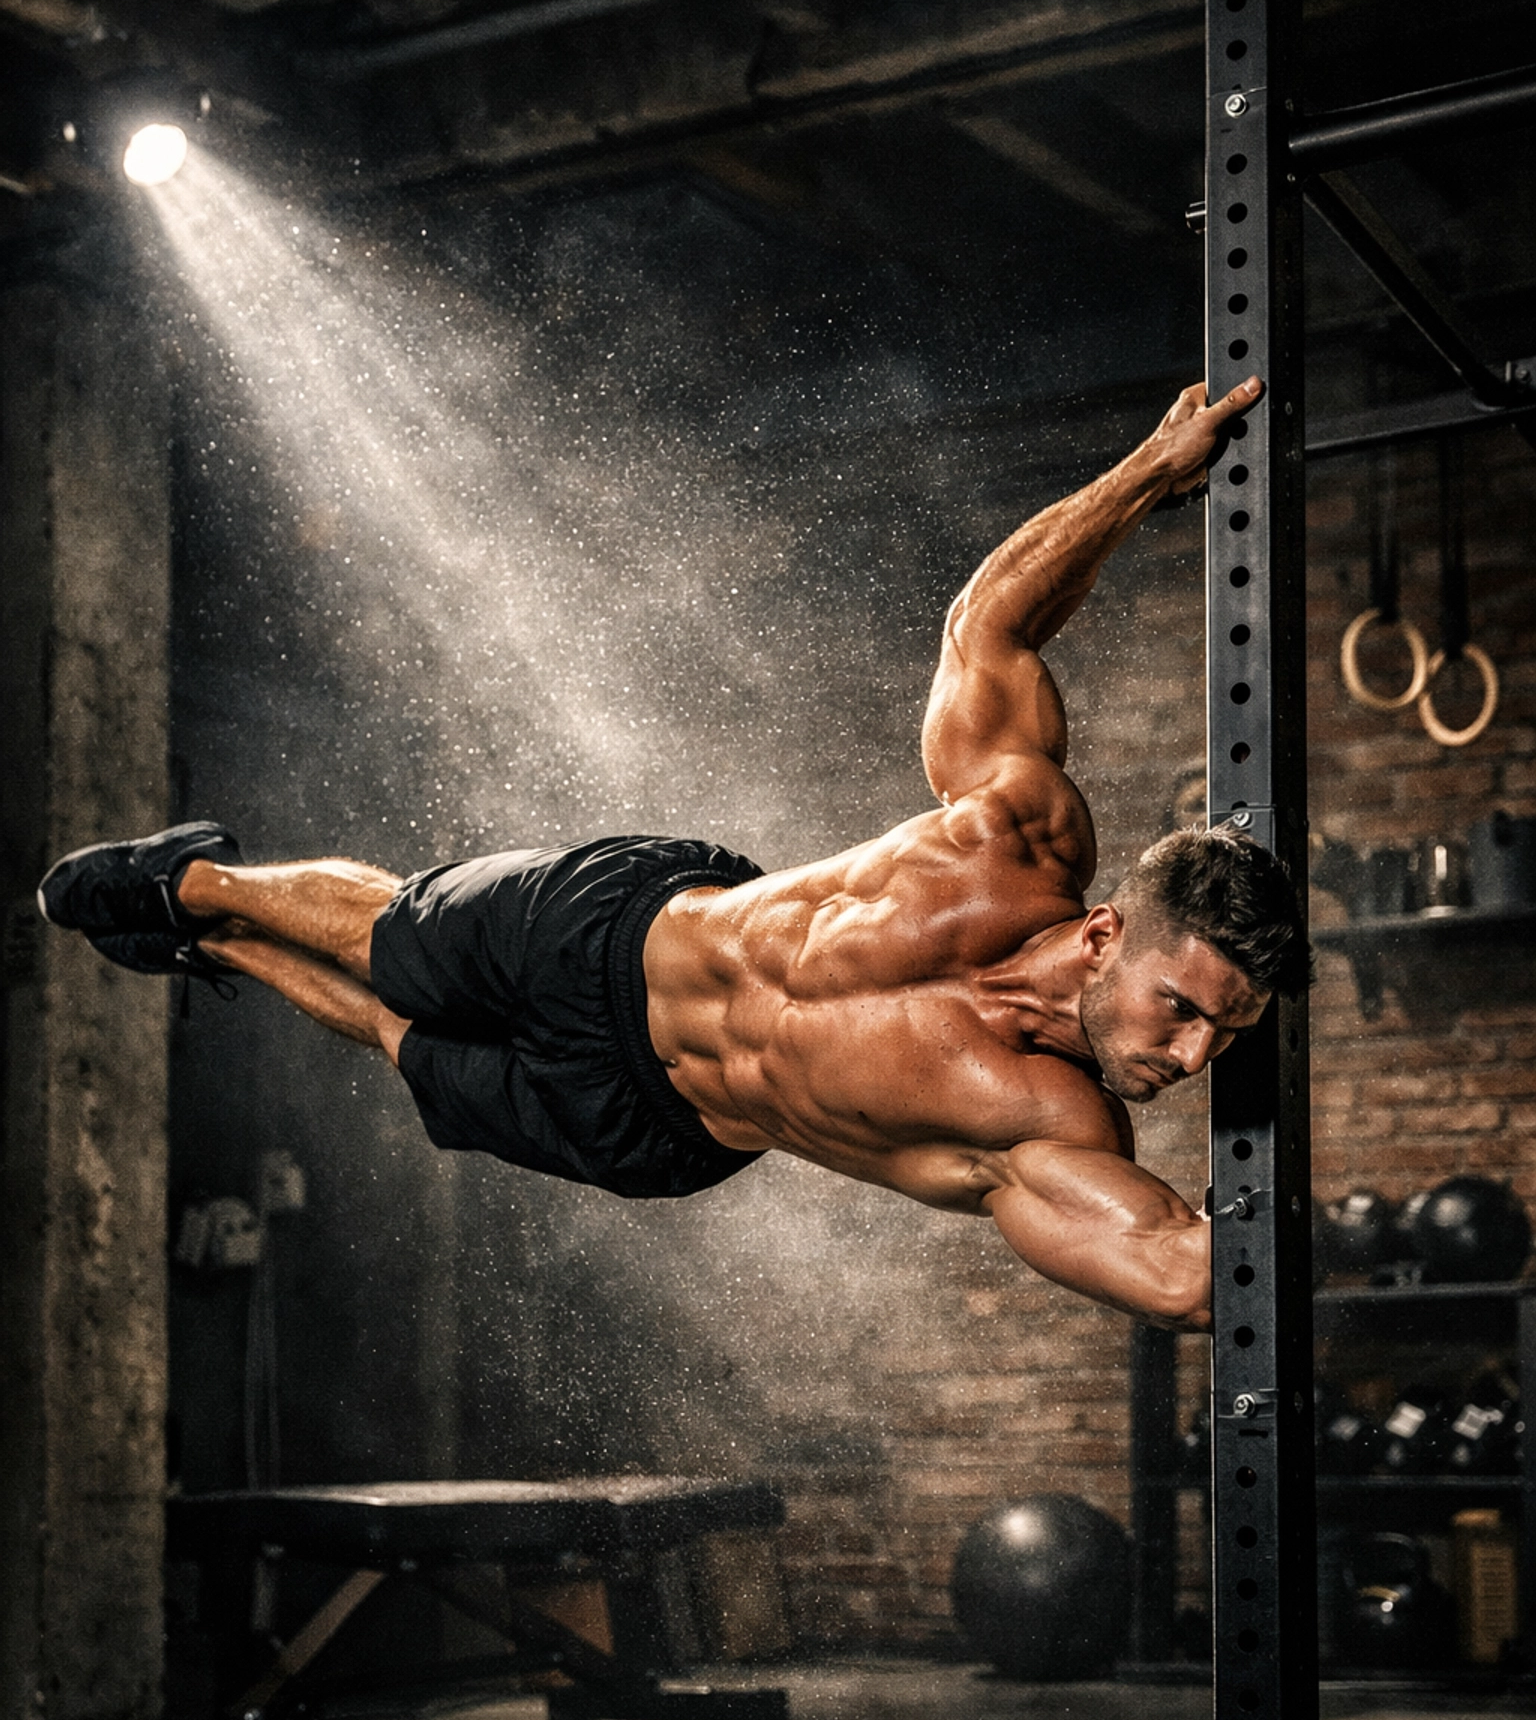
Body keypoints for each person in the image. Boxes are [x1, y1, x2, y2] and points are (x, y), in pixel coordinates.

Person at [41, 376, 1306, 1332]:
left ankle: (215, 948)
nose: (1195, 1056)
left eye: (1223, 1035)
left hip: (651, 1121)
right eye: (1185, 1008)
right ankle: (195, 880)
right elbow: (988, 626)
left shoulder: (1052, 1126)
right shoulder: (1014, 835)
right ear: (1105, 933)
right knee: (392, 941)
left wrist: (1278, 1246)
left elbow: (1180, 1278)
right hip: (619, 929)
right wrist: (1146, 477)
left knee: (401, 1037)